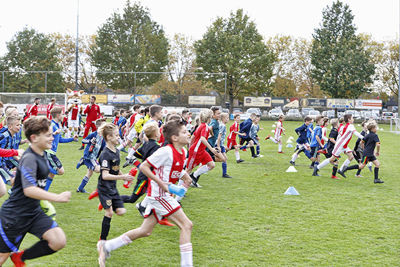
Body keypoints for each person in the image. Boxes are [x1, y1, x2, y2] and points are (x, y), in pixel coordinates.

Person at [97, 119, 193, 267]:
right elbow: (144, 166)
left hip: (162, 195)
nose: (189, 134)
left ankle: (108, 246)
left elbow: (173, 168)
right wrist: (160, 182)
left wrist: (183, 174)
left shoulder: (183, 151)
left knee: (145, 231)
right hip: (158, 196)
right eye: (185, 132)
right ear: (174, 138)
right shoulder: (165, 151)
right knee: (187, 225)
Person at [0, 116, 71, 266]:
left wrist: (16, 178)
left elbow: (18, 182)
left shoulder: (42, 154)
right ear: (34, 138)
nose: (52, 138)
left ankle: (20, 257)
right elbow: (29, 190)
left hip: (33, 212)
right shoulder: (30, 158)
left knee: (58, 240)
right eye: (48, 135)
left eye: (52, 134)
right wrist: (57, 197)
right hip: (14, 216)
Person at [96, 123, 134, 241]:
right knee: (110, 213)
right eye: (117, 135)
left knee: (121, 211)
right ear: (109, 137)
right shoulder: (105, 154)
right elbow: (105, 175)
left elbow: (116, 169)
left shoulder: (117, 152)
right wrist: (122, 178)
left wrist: (124, 176)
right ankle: (102, 240)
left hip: (112, 187)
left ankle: (104, 202)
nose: (119, 137)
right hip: (104, 188)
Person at [44, 107, 78, 191]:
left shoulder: (56, 125)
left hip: (51, 152)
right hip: (49, 152)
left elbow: (60, 140)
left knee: (52, 174)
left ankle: (43, 194)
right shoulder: (51, 125)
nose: (63, 116)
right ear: (58, 115)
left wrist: (72, 139)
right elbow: (45, 136)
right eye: (62, 114)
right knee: (60, 171)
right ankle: (41, 168)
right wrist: (54, 133)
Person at [186, 109, 217, 188]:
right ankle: (179, 190)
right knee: (188, 170)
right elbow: (202, 139)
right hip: (196, 151)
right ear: (209, 118)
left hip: (201, 151)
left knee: (211, 165)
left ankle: (194, 175)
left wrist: (190, 145)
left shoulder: (203, 126)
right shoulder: (204, 126)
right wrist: (211, 149)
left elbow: (193, 137)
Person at [76, 118, 107, 193]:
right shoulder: (93, 134)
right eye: (104, 127)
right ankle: (104, 189)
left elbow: (104, 148)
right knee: (98, 169)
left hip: (94, 157)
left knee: (89, 173)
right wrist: (90, 141)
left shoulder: (102, 138)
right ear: (99, 127)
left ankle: (80, 188)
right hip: (89, 156)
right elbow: (83, 140)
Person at [218, 113, 231, 178]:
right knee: (224, 158)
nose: (228, 119)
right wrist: (218, 146)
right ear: (223, 119)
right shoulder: (222, 126)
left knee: (225, 158)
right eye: (227, 118)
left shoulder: (222, 125)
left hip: (221, 145)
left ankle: (224, 174)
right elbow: (219, 136)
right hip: (219, 145)